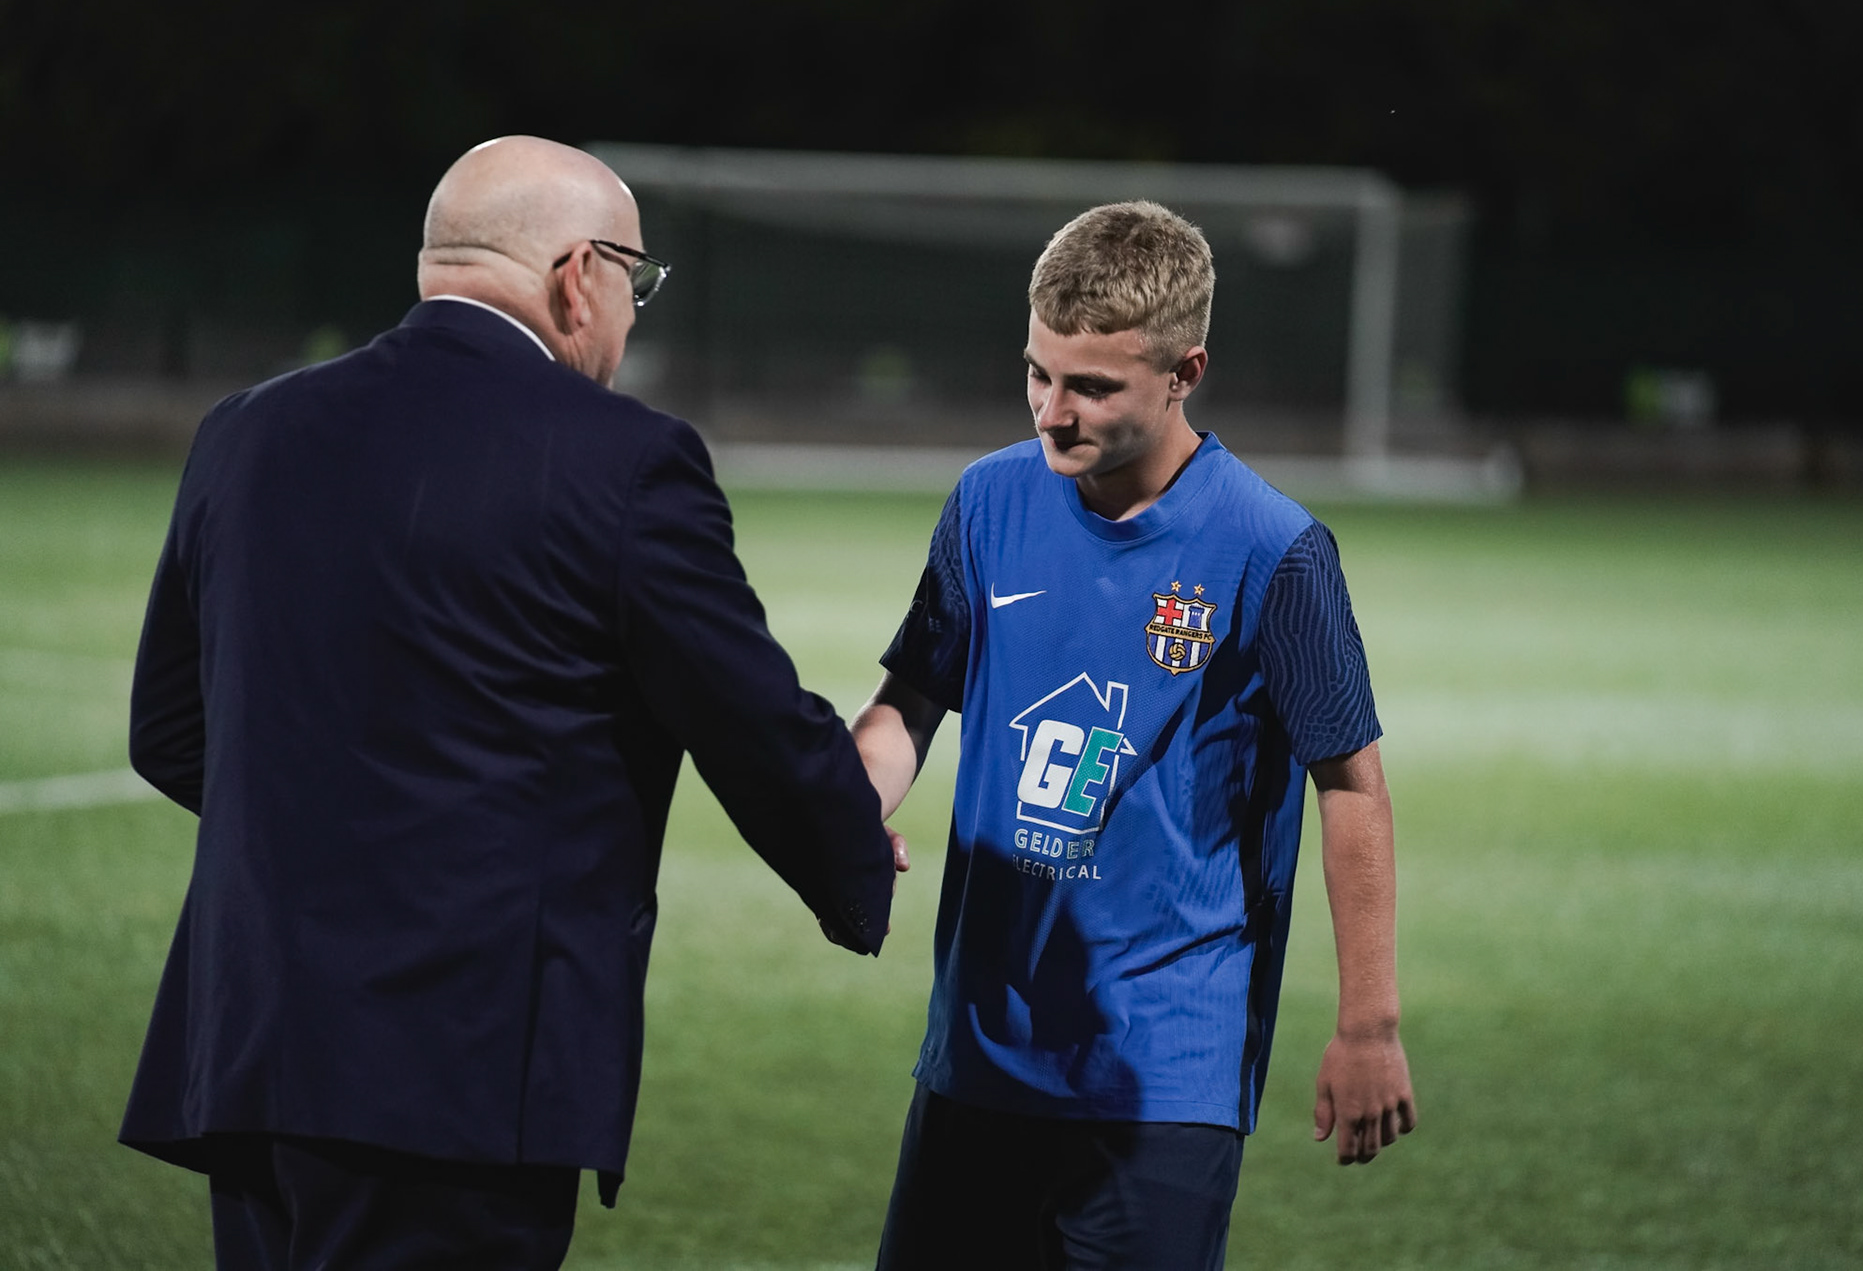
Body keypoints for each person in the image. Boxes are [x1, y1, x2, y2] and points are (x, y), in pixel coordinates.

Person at [121, 135, 901, 1269]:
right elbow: (749, 719)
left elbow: (169, 731)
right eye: (636, 282)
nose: (630, 318)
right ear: (579, 275)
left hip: (250, 1038)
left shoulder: (246, 428)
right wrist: (853, 824)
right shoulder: (624, 460)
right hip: (458, 1066)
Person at [853, 200, 1416, 1270]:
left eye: (1093, 386)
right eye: (1037, 373)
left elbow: (1352, 786)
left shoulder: (1273, 548)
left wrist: (1369, 1024)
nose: (1052, 411)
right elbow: (907, 705)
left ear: (1184, 372)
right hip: (980, 1042)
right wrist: (844, 804)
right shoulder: (987, 502)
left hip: (1164, 1065)